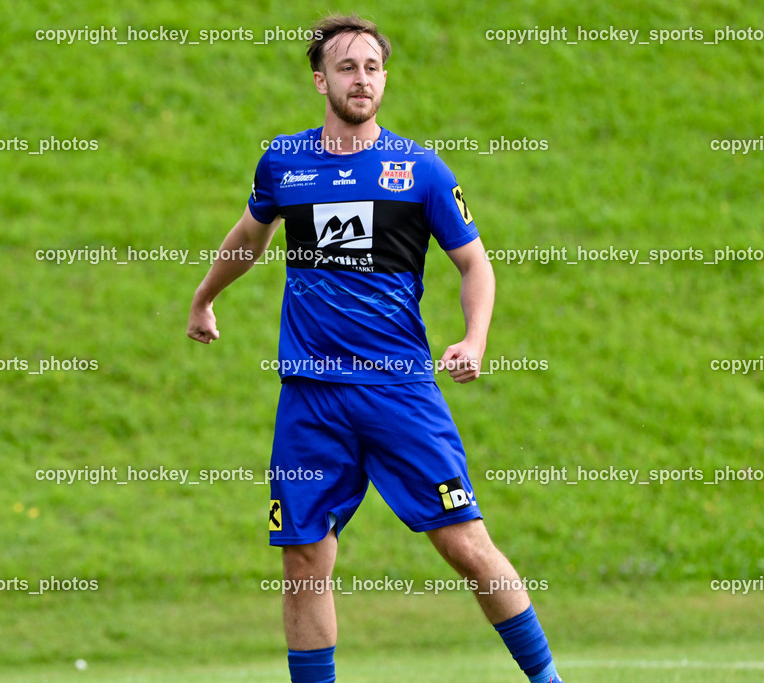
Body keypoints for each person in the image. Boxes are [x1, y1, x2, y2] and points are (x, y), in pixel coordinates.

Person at [187, 13, 563, 683]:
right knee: (303, 559)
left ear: (384, 79)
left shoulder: (419, 171)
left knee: (465, 544)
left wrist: (474, 339)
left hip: (398, 389)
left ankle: (548, 680)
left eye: (372, 68)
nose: (361, 80)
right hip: (311, 395)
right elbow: (249, 238)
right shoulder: (285, 162)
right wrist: (204, 297)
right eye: (346, 68)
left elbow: (475, 265)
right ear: (320, 80)